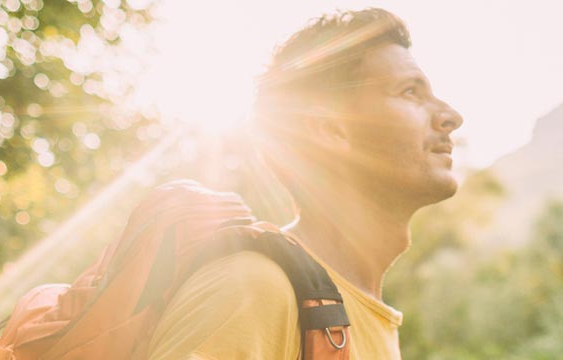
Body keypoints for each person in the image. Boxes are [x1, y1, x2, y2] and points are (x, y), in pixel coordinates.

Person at [146, 7, 465, 359]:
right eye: (409, 92)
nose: (451, 116)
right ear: (330, 129)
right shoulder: (253, 290)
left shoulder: (364, 315)